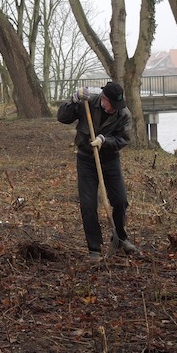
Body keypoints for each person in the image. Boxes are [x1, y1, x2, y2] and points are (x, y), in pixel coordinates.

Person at [57, 81, 139, 260]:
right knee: (88, 205)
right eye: (112, 105)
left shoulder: (123, 113)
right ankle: (94, 248)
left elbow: (124, 138)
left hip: (110, 160)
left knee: (120, 200)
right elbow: (62, 117)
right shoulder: (87, 103)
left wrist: (104, 140)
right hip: (86, 160)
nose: (115, 109)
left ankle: (120, 238)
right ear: (103, 99)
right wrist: (73, 100)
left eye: (118, 105)